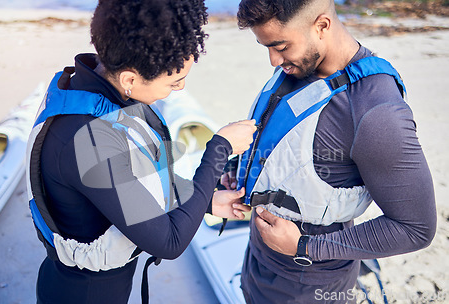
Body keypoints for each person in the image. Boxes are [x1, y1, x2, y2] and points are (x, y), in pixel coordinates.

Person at [25, 1, 256, 303]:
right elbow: (169, 242)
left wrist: (207, 202)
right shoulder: (89, 140)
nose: (181, 89)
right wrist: (219, 149)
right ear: (130, 80)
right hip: (85, 294)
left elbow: (128, 184)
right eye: (174, 82)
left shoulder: (93, 87)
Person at [220, 0, 437, 303]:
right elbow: (287, 151)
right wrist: (238, 170)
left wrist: (305, 246)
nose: (272, 60)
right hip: (257, 261)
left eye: (280, 46)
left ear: (321, 26)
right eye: (266, 46)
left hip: (310, 284)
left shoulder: (376, 112)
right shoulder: (301, 65)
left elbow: (416, 228)